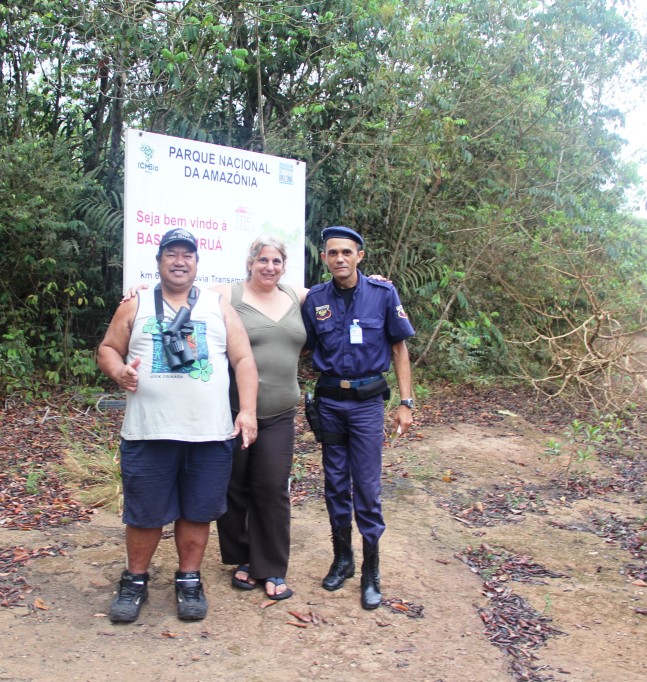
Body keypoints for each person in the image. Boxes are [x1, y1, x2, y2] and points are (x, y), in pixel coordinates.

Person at [96, 227, 258, 623]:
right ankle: (135, 581)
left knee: (198, 511)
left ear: (197, 263)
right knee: (145, 513)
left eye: (187, 254)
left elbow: (243, 361)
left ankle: (189, 579)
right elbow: (107, 349)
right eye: (172, 253)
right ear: (159, 261)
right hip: (148, 431)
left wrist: (247, 411)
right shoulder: (135, 306)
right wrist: (119, 372)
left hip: (209, 433)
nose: (180, 260)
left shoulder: (218, 306)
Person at [301, 226, 416, 610]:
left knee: (366, 487)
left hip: (367, 406)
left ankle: (371, 571)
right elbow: (303, 341)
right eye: (332, 253)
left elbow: (399, 349)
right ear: (324, 258)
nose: (339, 259)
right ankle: (343, 559)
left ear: (360, 256)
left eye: (347, 252)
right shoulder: (315, 298)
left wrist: (406, 402)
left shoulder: (383, 294)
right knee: (334, 484)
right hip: (331, 403)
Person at [213, 236, 309, 601]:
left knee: (271, 488)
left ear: (283, 266)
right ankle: (243, 557)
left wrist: (377, 283)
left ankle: (271, 566)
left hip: (280, 413)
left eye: (276, 261)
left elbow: (339, 288)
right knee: (234, 486)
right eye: (263, 260)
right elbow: (182, 291)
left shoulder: (296, 297)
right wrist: (141, 289)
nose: (270, 267)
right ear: (250, 262)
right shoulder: (229, 295)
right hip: (235, 411)